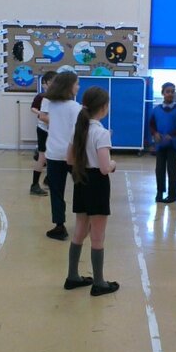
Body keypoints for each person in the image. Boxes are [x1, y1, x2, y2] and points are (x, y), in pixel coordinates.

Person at [64, 86, 119, 296]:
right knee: (98, 235)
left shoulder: (79, 129)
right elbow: (105, 168)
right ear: (104, 108)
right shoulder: (101, 133)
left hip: (81, 179)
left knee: (79, 229)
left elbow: (69, 159)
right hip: (97, 184)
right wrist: (113, 163)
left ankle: (72, 276)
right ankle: (99, 283)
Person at [41, 72, 81, 241]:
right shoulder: (74, 107)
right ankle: (85, 221)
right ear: (69, 86)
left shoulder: (51, 105)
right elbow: (77, 132)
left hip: (53, 154)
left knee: (56, 192)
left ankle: (59, 226)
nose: (78, 87)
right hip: (71, 154)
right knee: (81, 188)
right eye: (76, 84)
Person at [149, 82, 176, 204]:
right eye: (167, 91)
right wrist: (155, 133)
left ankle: (172, 194)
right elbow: (152, 124)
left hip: (173, 145)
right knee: (159, 169)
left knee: (172, 169)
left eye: (172, 91)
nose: (170, 94)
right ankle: (159, 192)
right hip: (160, 145)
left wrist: (172, 135)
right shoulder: (156, 110)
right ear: (163, 93)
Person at [29, 71, 56, 196]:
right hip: (44, 130)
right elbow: (41, 115)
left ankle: (49, 180)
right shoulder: (44, 97)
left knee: (51, 156)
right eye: (52, 81)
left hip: (51, 130)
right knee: (42, 157)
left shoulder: (55, 97)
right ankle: (34, 185)